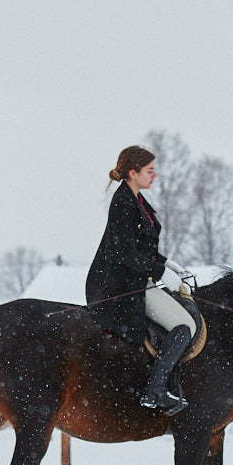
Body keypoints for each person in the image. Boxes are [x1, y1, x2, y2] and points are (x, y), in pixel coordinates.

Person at [86, 145, 196, 415]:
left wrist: (167, 264)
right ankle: (155, 389)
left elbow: (141, 249)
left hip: (133, 279)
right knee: (184, 325)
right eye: (149, 170)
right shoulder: (123, 202)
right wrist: (161, 274)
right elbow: (124, 252)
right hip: (120, 286)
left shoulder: (135, 199)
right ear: (133, 172)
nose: (154, 176)